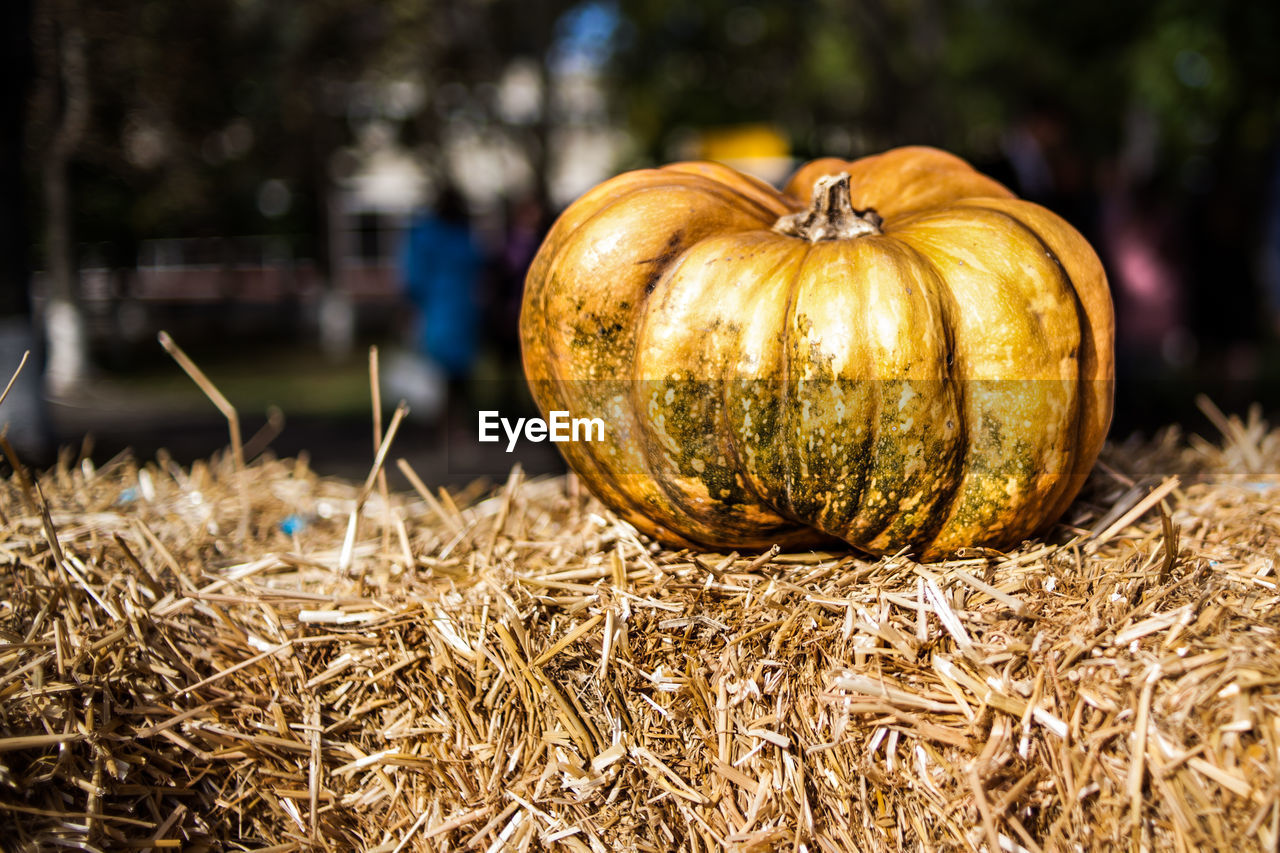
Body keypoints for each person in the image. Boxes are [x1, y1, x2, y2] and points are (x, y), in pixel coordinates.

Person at [398, 184, 483, 399]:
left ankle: (450, 421)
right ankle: (449, 421)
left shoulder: (438, 234)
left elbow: (413, 276)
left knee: (451, 371)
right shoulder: (451, 235)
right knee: (441, 372)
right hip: (444, 311)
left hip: (450, 311)